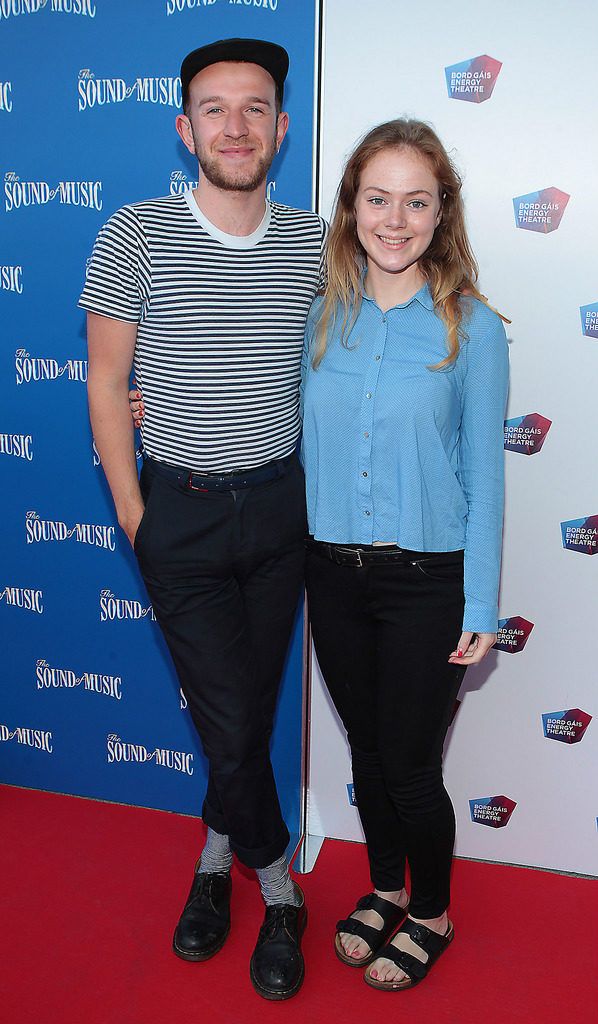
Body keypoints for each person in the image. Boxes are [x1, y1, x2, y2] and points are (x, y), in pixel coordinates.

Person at [80, 37, 326, 1001]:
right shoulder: (133, 234)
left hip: (279, 511)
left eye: (255, 107)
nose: (236, 125)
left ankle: (213, 865)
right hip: (175, 512)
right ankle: (281, 886)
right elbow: (106, 386)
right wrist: (137, 516)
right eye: (216, 109)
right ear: (187, 130)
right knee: (230, 726)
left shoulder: (313, 242)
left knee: (245, 716)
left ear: (282, 127)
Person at [301, 119, 509, 991]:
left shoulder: (473, 329)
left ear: (440, 211)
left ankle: (431, 911)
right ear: (351, 207)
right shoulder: (319, 311)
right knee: (369, 755)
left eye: (415, 201)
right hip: (332, 571)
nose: (394, 219)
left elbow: (487, 478)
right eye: (377, 198)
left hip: (429, 581)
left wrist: (481, 607)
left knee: (413, 767)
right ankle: (384, 888)